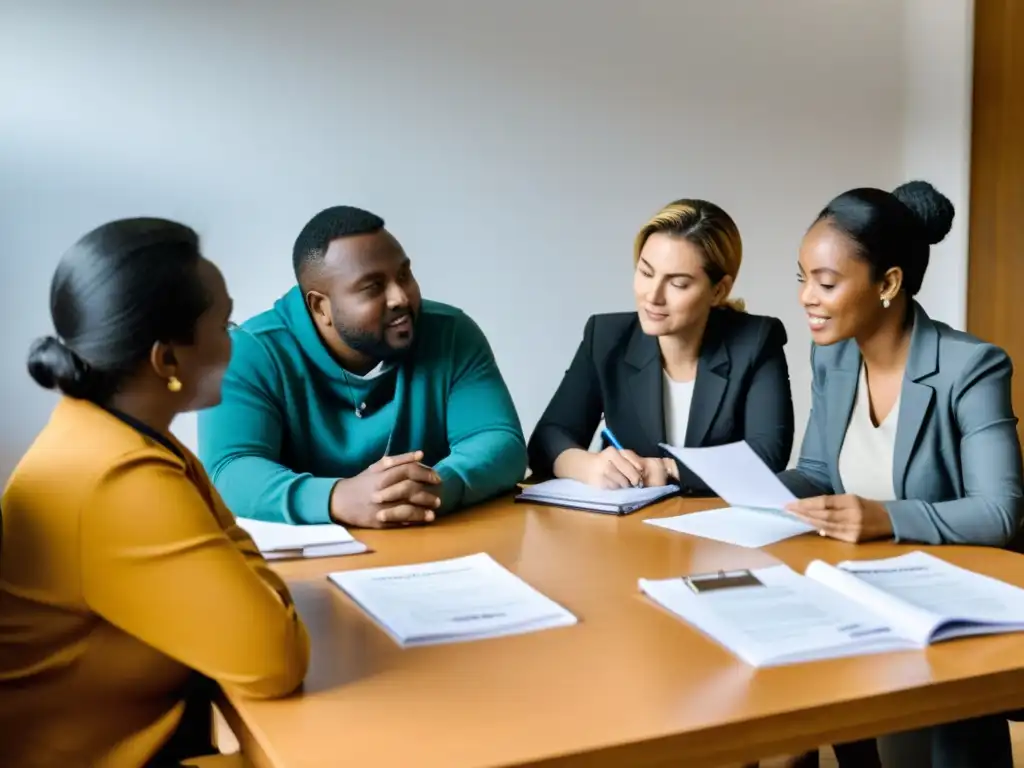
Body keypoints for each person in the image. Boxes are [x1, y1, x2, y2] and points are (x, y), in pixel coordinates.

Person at [0, 219, 310, 768]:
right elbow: (275, 660)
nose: (235, 339)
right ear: (166, 359)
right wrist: (249, 571)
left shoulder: (105, 430)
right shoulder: (117, 478)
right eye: (225, 321)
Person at [779, 181, 1023, 768]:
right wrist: (745, 492)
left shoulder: (971, 366)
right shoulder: (832, 355)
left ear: (888, 284)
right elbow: (816, 471)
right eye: (802, 278)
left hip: (942, 613)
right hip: (857, 594)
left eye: (826, 282)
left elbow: (1000, 510)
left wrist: (884, 517)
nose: (807, 298)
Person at [197, 206, 526, 528]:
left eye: (403, 275)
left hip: (435, 550)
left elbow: (499, 441)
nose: (400, 297)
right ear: (319, 306)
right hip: (310, 568)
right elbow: (230, 470)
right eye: (373, 287)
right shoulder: (252, 352)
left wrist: (433, 487)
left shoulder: (451, 333)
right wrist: (336, 498)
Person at [527, 198, 794, 493]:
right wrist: (588, 466)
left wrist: (669, 468)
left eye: (677, 284)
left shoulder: (756, 340)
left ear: (719, 290)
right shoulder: (605, 336)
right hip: (628, 527)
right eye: (645, 272)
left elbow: (768, 454)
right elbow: (548, 437)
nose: (652, 296)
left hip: (715, 528)